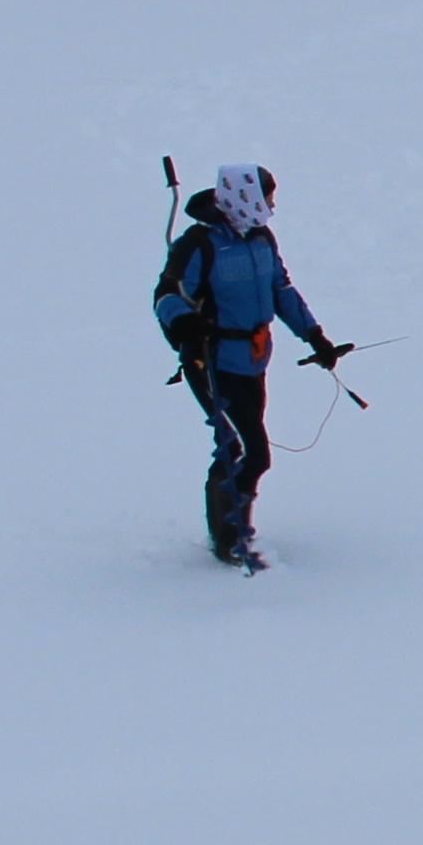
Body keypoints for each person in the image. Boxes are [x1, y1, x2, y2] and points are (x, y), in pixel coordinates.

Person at [153, 160, 345, 569]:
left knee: (240, 446)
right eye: (267, 198)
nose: (272, 206)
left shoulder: (262, 239)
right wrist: (185, 323)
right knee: (248, 452)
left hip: (254, 360)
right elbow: (166, 294)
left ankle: (229, 530)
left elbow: (281, 290)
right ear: (245, 198)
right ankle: (230, 540)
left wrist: (315, 336)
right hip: (212, 361)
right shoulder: (200, 244)